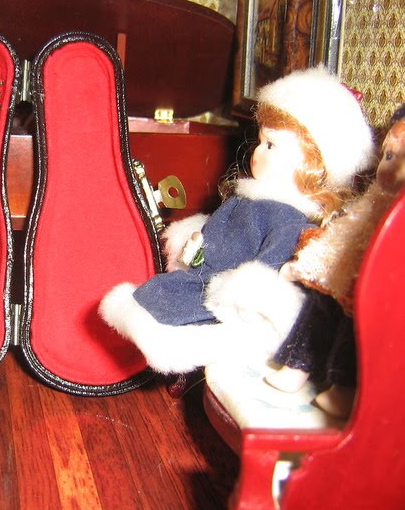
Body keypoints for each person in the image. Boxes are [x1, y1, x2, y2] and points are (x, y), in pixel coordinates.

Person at [98, 68, 374, 375]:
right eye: (260, 141)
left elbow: (268, 274)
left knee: (166, 319)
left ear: (309, 164)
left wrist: (240, 294)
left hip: (219, 298)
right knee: (150, 299)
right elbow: (218, 230)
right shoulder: (247, 199)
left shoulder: (288, 220)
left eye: (270, 145)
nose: (256, 152)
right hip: (201, 278)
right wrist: (195, 241)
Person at [266, 103, 405, 418]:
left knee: (352, 324)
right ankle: (297, 366)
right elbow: (340, 241)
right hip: (345, 277)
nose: (389, 169)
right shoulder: (373, 203)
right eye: (388, 156)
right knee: (319, 302)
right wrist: (308, 265)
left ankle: (344, 389)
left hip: (377, 293)